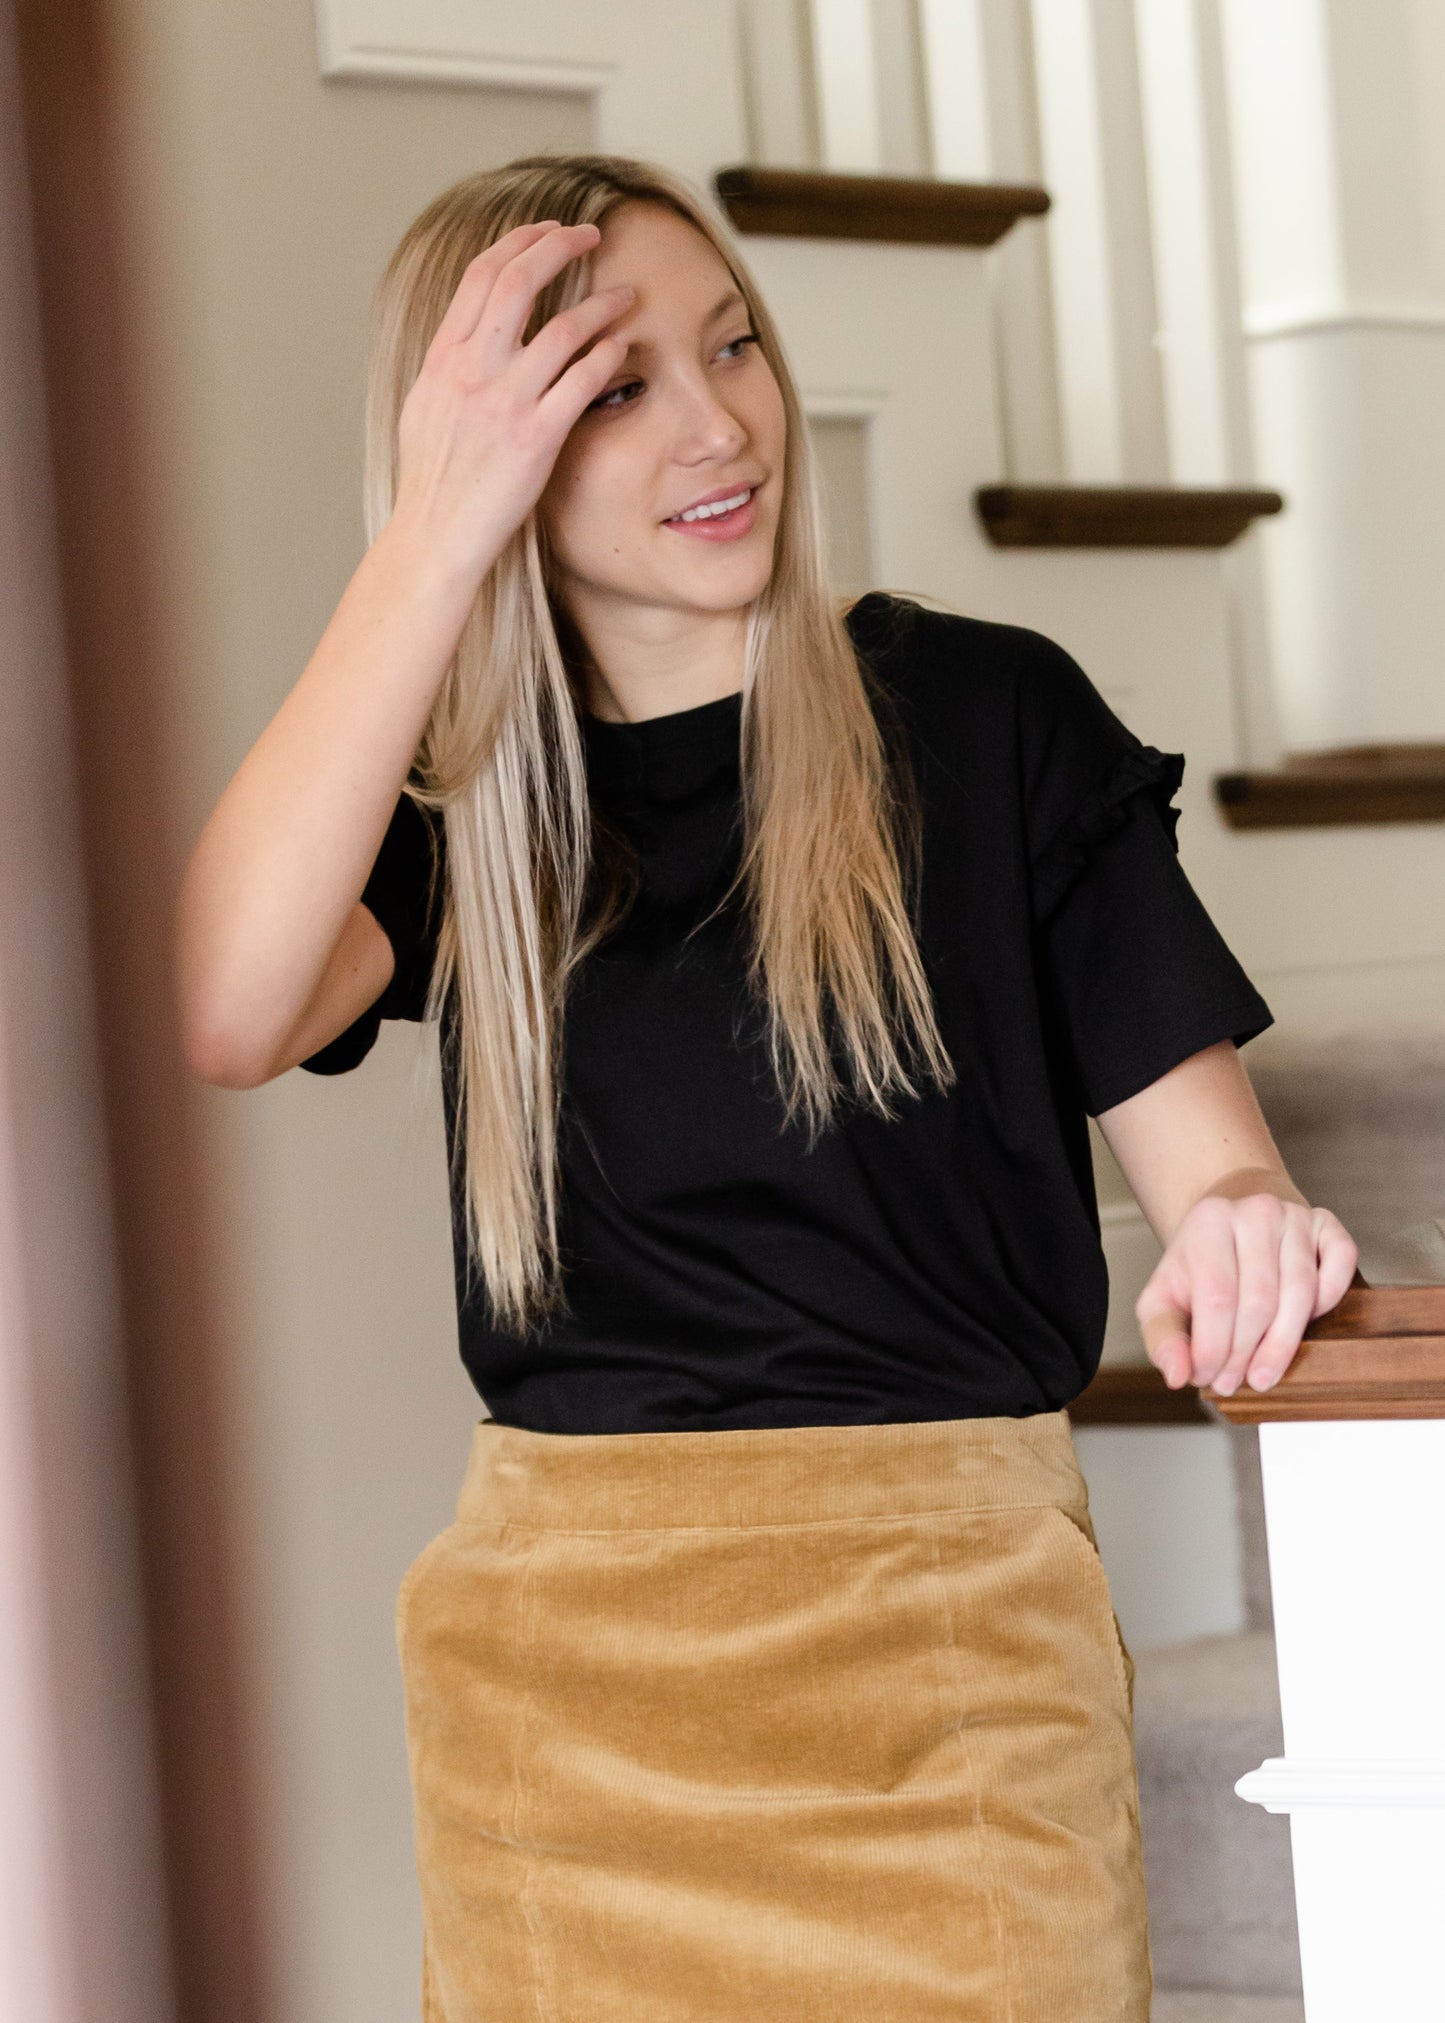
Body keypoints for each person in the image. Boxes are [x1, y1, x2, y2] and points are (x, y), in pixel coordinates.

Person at [175, 152, 1358, 2021]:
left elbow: (1216, 1179)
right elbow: (224, 1006)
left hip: (953, 1674)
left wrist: (1250, 1236)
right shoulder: (464, 813)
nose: (722, 424)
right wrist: (429, 538)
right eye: (616, 388)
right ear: (494, 446)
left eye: (735, 347)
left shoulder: (988, 719)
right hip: (562, 1708)